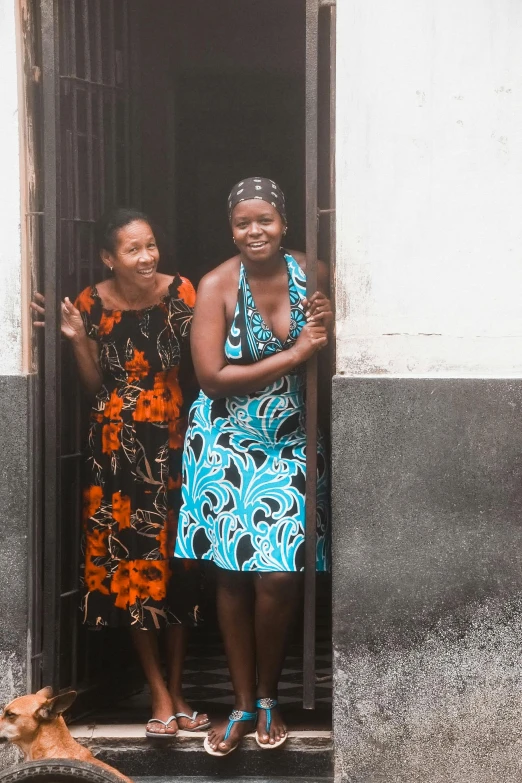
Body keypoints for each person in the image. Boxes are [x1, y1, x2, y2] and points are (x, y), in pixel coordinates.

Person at [31, 208, 209, 739]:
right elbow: (93, 387)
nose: (147, 257)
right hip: (115, 453)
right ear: (110, 257)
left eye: (150, 245)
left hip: (174, 444)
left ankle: (178, 690)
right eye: (133, 249)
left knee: (177, 565)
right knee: (134, 569)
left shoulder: (182, 293)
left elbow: (199, 364)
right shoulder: (91, 303)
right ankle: (156, 690)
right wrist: (76, 339)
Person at [174, 178, 332, 756]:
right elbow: (211, 377)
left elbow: (331, 345)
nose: (254, 231)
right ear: (231, 228)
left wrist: (326, 327)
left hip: (288, 443)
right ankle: (242, 703)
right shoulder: (217, 285)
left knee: (280, 575)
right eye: (243, 223)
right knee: (234, 575)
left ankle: (269, 695)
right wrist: (295, 353)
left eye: (264, 220)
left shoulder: (311, 274)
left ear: (283, 222)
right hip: (225, 447)